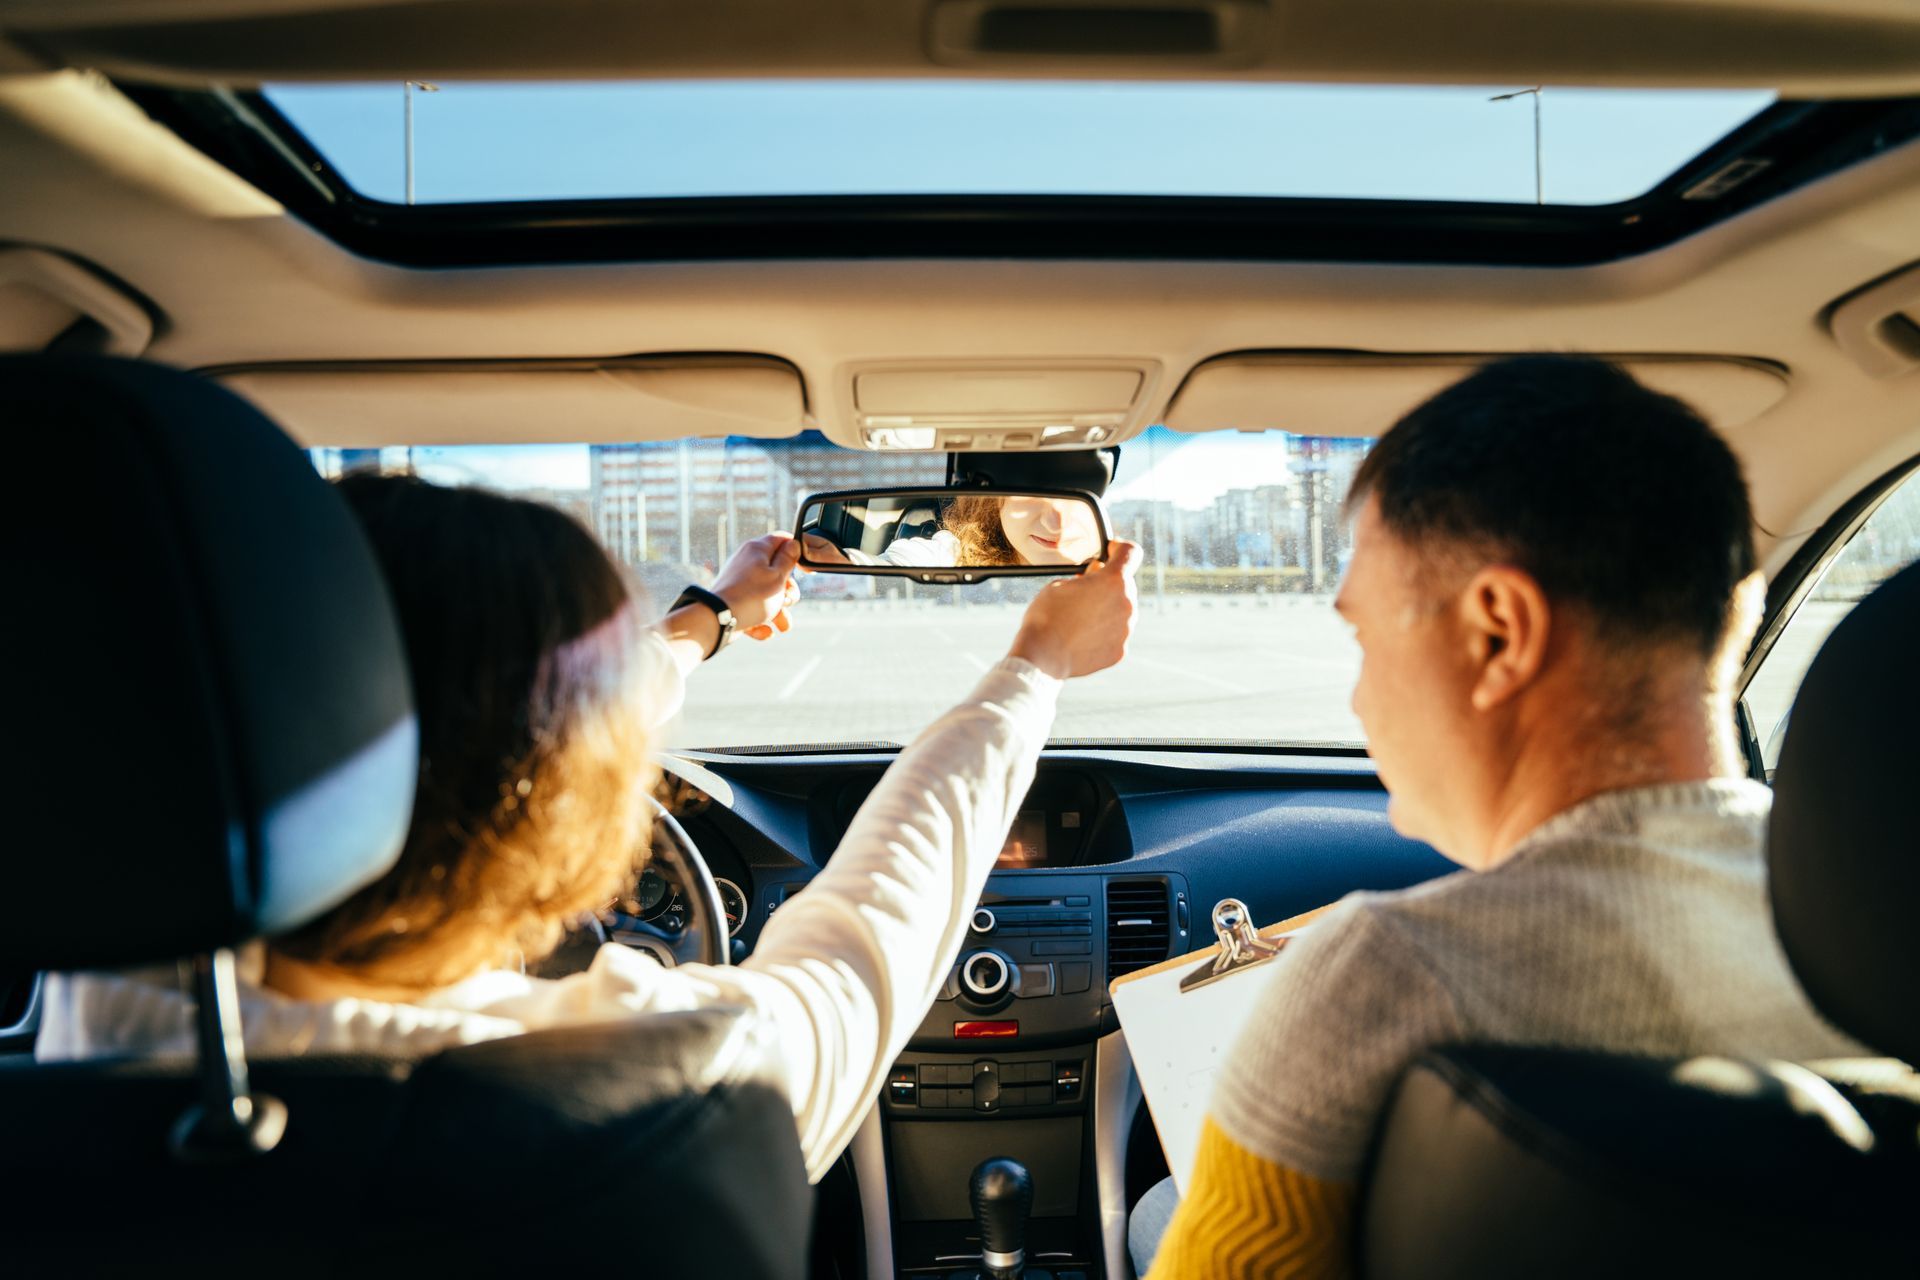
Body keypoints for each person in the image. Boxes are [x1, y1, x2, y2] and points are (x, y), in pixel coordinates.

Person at [37, 472, 1141, 1186]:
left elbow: (515, 720)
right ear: (550, 800)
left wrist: (707, 618)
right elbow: (865, 941)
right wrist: (1036, 662)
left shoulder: (110, 1001)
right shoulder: (648, 1086)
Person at [1134, 355, 1861, 1278]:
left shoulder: (1383, 979)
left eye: (1363, 636)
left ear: (1498, 634)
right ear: (1742, 607)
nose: (1357, 701)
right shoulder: (1875, 943)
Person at [805, 493, 1104, 569]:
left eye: (1078, 499)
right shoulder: (954, 550)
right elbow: (903, 560)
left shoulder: (1113, 566)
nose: (1057, 522)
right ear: (996, 504)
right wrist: (847, 565)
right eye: (1029, 496)